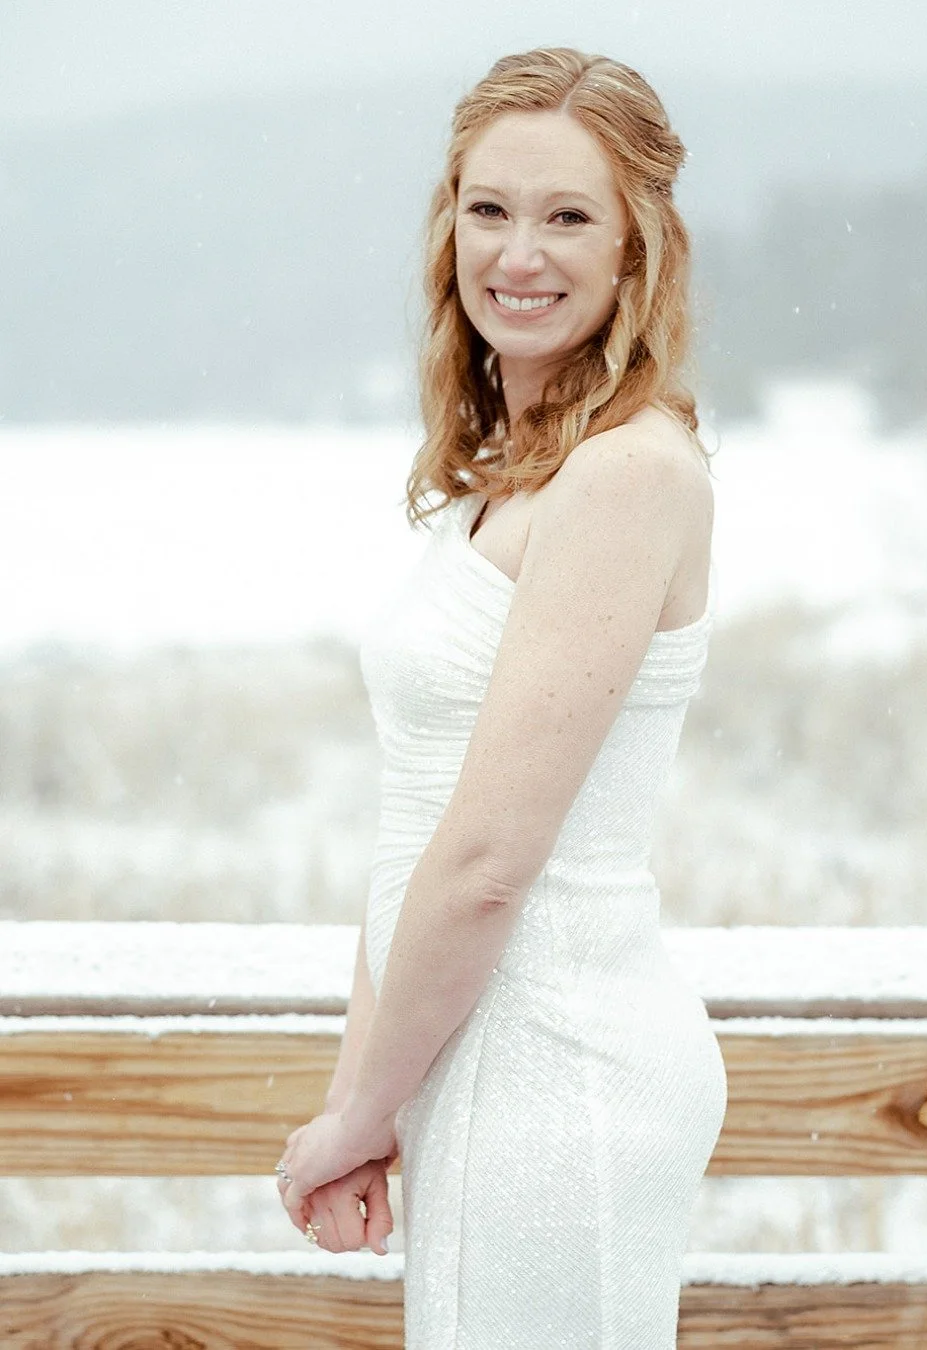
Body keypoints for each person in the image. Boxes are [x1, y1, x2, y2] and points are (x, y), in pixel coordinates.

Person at [274, 46, 727, 1347]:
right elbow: (416, 827)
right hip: (470, 1064)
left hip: (556, 1074)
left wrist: (363, 1113)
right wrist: (369, 1095)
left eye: (569, 215)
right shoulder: (506, 478)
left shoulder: (629, 479)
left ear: (640, 247)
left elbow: (480, 864)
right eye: (490, 208)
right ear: (448, 225)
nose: (518, 252)